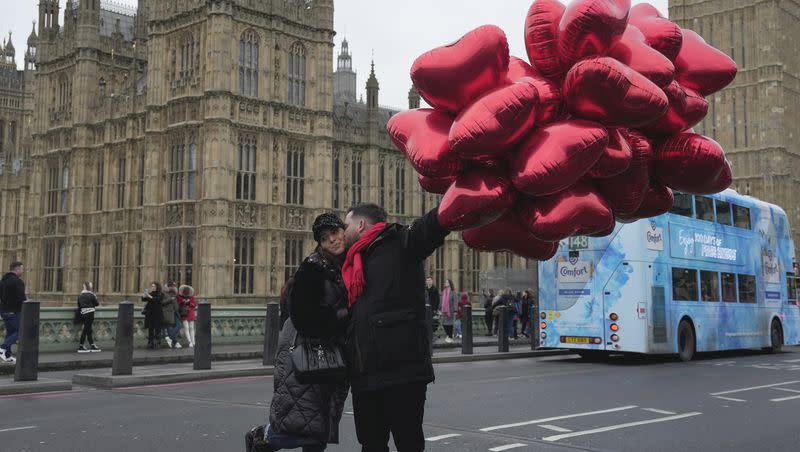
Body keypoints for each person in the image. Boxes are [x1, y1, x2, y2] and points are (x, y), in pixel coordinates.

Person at [342, 203, 449, 452]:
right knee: (371, 445)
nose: (341, 231)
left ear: (360, 225)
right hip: (365, 376)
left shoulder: (400, 242)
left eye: (345, 225)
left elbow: (428, 229)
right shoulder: (350, 262)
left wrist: (452, 207)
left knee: (408, 444)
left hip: (402, 374)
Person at [245, 213, 350, 452]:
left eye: (335, 232)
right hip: (311, 355)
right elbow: (305, 317)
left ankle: (265, 438)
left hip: (325, 356)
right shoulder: (313, 269)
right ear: (320, 244)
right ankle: (263, 439)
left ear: (343, 231)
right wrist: (344, 318)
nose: (332, 240)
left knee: (317, 426)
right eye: (325, 238)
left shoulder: (340, 265)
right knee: (310, 426)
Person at [0, 261, 26, 364]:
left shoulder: (3, 281)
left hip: (3, 310)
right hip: (14, 311)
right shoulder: (18, 282)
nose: (22, 271)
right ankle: (3, 347)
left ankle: (7, 355)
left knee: (10, 332)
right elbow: (21, 298)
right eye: (22, 269)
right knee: (21, 331)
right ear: (17, 269)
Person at [77, 282, 101, 353]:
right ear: (90, 287)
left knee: (88, 329)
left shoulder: (80, 295)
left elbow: (79, 305)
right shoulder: (91, 295)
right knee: (86, 329)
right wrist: (95, 298)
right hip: (90, 313)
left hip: (83, 313)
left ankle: (92, 345)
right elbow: (97, 304)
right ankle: (81, 346)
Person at [142, 282, 164, 349]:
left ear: (157, 287)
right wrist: (144, 295)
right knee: (150, 329)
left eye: (154, 286)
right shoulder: (150, 294)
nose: (153, 287)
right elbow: (144, 299)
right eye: (152, 286)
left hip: (157, 314)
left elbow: (156, 300)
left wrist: (148, 296)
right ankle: (150, 343)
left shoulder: (161, 294)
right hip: (150, 314)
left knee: (157, 329)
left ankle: (157, 343)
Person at [162, 281, 182, 348]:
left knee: (179, 325)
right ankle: (175, 342)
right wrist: (170, 299)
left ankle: (169, 337)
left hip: (175, 313)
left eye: (174, 285)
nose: (174, 287)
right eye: (172, 286)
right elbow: (162, 302)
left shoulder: (175, 294)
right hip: (168, 313)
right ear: (169, 286)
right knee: (169, 328)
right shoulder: (164, 293)